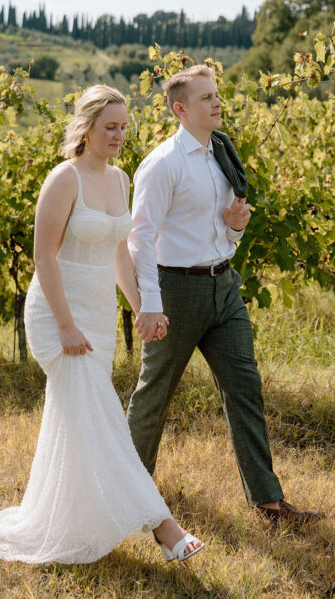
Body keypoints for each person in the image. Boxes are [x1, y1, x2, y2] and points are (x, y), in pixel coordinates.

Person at [0, 85, 204, 564]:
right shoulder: (64, 179)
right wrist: (65, 326)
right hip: (59, 316)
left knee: (79, 423)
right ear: (87, 127)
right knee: (104, 422)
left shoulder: (120, 181)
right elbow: (44, 258)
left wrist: (141, 307)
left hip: (96, 318)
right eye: (109, 127)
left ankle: (65, 522)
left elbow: (120, 253)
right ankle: (165, 527)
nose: (119, 135)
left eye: (123, 127)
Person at [127, 65, 324, 525]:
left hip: (224, 286)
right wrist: (150, 304)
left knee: (245, 388)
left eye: (217, 95)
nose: (217, 103)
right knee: (153, 396)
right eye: (205, 98)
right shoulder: (162, 164)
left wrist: (234, 231)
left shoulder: (220, 153)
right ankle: (128, 498)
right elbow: (141, 237)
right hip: (175, 292)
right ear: (180, 109)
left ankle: (269, 502)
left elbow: (221, 227)